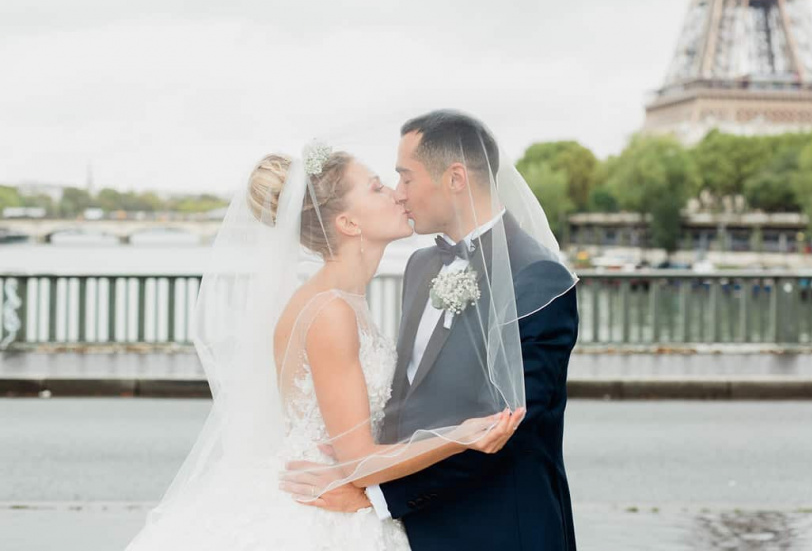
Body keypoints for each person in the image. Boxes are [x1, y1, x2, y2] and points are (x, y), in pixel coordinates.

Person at [125, 140, 523, 551]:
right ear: (349, 223)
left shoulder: (339, 299)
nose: (396, 192)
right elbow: (356, 460)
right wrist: (459, 437)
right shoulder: (331, 311)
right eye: (375, 188)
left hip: (328, 495)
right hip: (317, 514)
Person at [284, 111, 580, 551]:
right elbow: (408, 401)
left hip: (497, 530)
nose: (399, 194)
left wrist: (377, 494)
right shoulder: (422, 265)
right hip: (414, 529)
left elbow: (512, 426)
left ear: (455, 178)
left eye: (406, 178)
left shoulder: (537, 278)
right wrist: (358, 459)